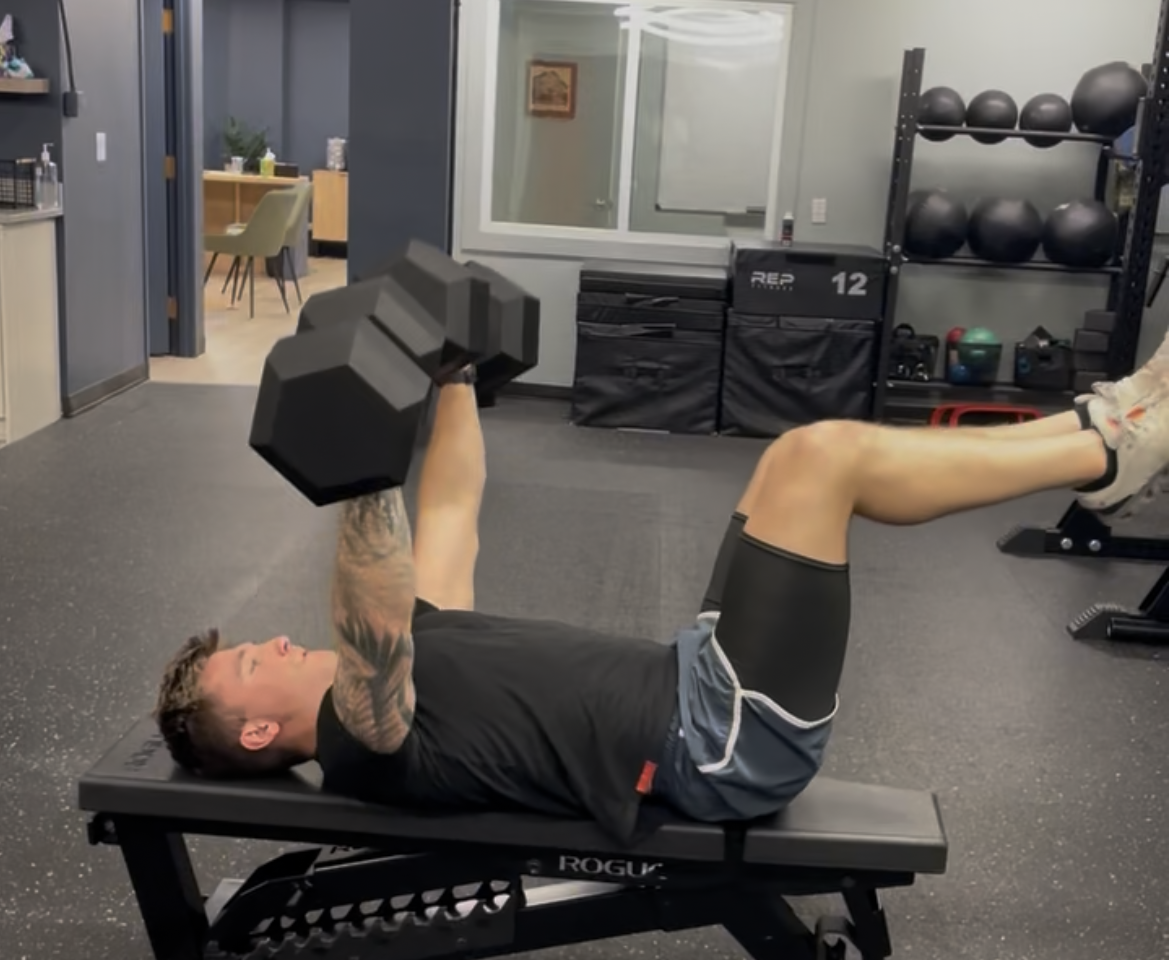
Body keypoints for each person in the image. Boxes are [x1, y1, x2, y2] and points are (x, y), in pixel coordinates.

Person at [155, 331, 1170, 847]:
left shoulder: (414, 652)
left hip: (698, 677)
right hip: (724, 741)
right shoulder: (360, 742)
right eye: (249, 664)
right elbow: (366, 615)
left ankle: (1102, 425)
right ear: (259, 730)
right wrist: (359, 466)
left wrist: (454, 371)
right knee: (823, 460)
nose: (271, 642)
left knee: (787, 460)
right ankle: (1103, 455)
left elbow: (454, 507)